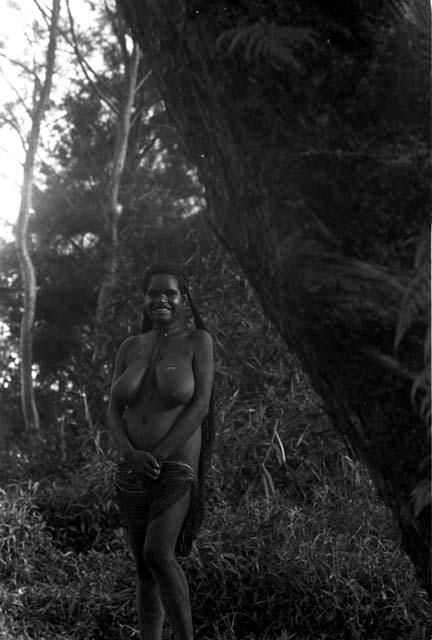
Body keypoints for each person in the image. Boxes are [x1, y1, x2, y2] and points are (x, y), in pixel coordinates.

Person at [107, 261, 214, 640]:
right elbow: (113, 409)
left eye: (169, 292)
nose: (161, 299)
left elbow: (200, 405)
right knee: (142, 567)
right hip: (133, 469)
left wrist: (161, 454)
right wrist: (128, 454)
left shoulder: (198, 341)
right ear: (145, 299)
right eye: (154, 293)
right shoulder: (131, 346)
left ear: (183, 299)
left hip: (174, 466)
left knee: (158, 554)